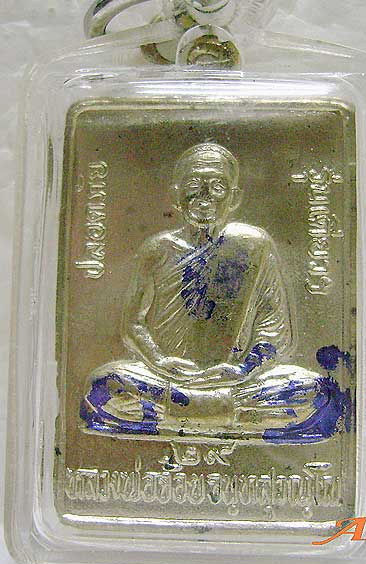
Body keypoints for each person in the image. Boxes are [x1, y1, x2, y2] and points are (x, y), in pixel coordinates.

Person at [80, 142, 351, 443]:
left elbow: (275, 330)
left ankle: (177, 418)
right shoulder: (157, 250)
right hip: (167, 380)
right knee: (103, 386)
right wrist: (159, 361)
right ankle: (232, 420)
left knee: (319, 393)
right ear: (177, 196)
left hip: (238, 383)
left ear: (234, 198)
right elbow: (133, 324)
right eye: (194, 187)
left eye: (218, 187)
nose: (204, 198)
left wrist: (244, 369)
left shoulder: (255, 245)